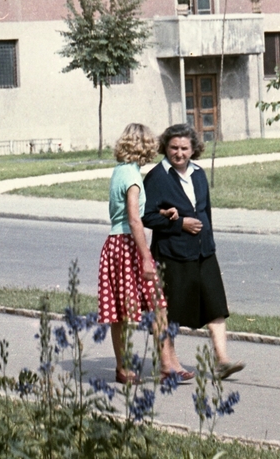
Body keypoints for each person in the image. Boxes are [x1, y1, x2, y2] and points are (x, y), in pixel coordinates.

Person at [141, 123, 244, 382]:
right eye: (174, 147)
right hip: (172, 253)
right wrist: (179, 223)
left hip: (203, 253)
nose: (179, 153)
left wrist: (208, 239)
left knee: (216, 306)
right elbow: (147, 216)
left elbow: (205, 211)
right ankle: (169, 363)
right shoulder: (156, 177)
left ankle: (222, 361)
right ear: (165, 147)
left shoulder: (198, 173)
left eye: (185, 148)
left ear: (193, 149)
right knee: (171, 310)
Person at [96, 123, 167, 385]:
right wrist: (146, 257)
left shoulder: (120, 172)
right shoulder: (134, 178)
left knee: (121, 312)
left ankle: (122, 367)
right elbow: (135, 220)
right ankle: (166, 364)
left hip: (114, 244)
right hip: (128, 246)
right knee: (157, 305)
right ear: (145, 147)